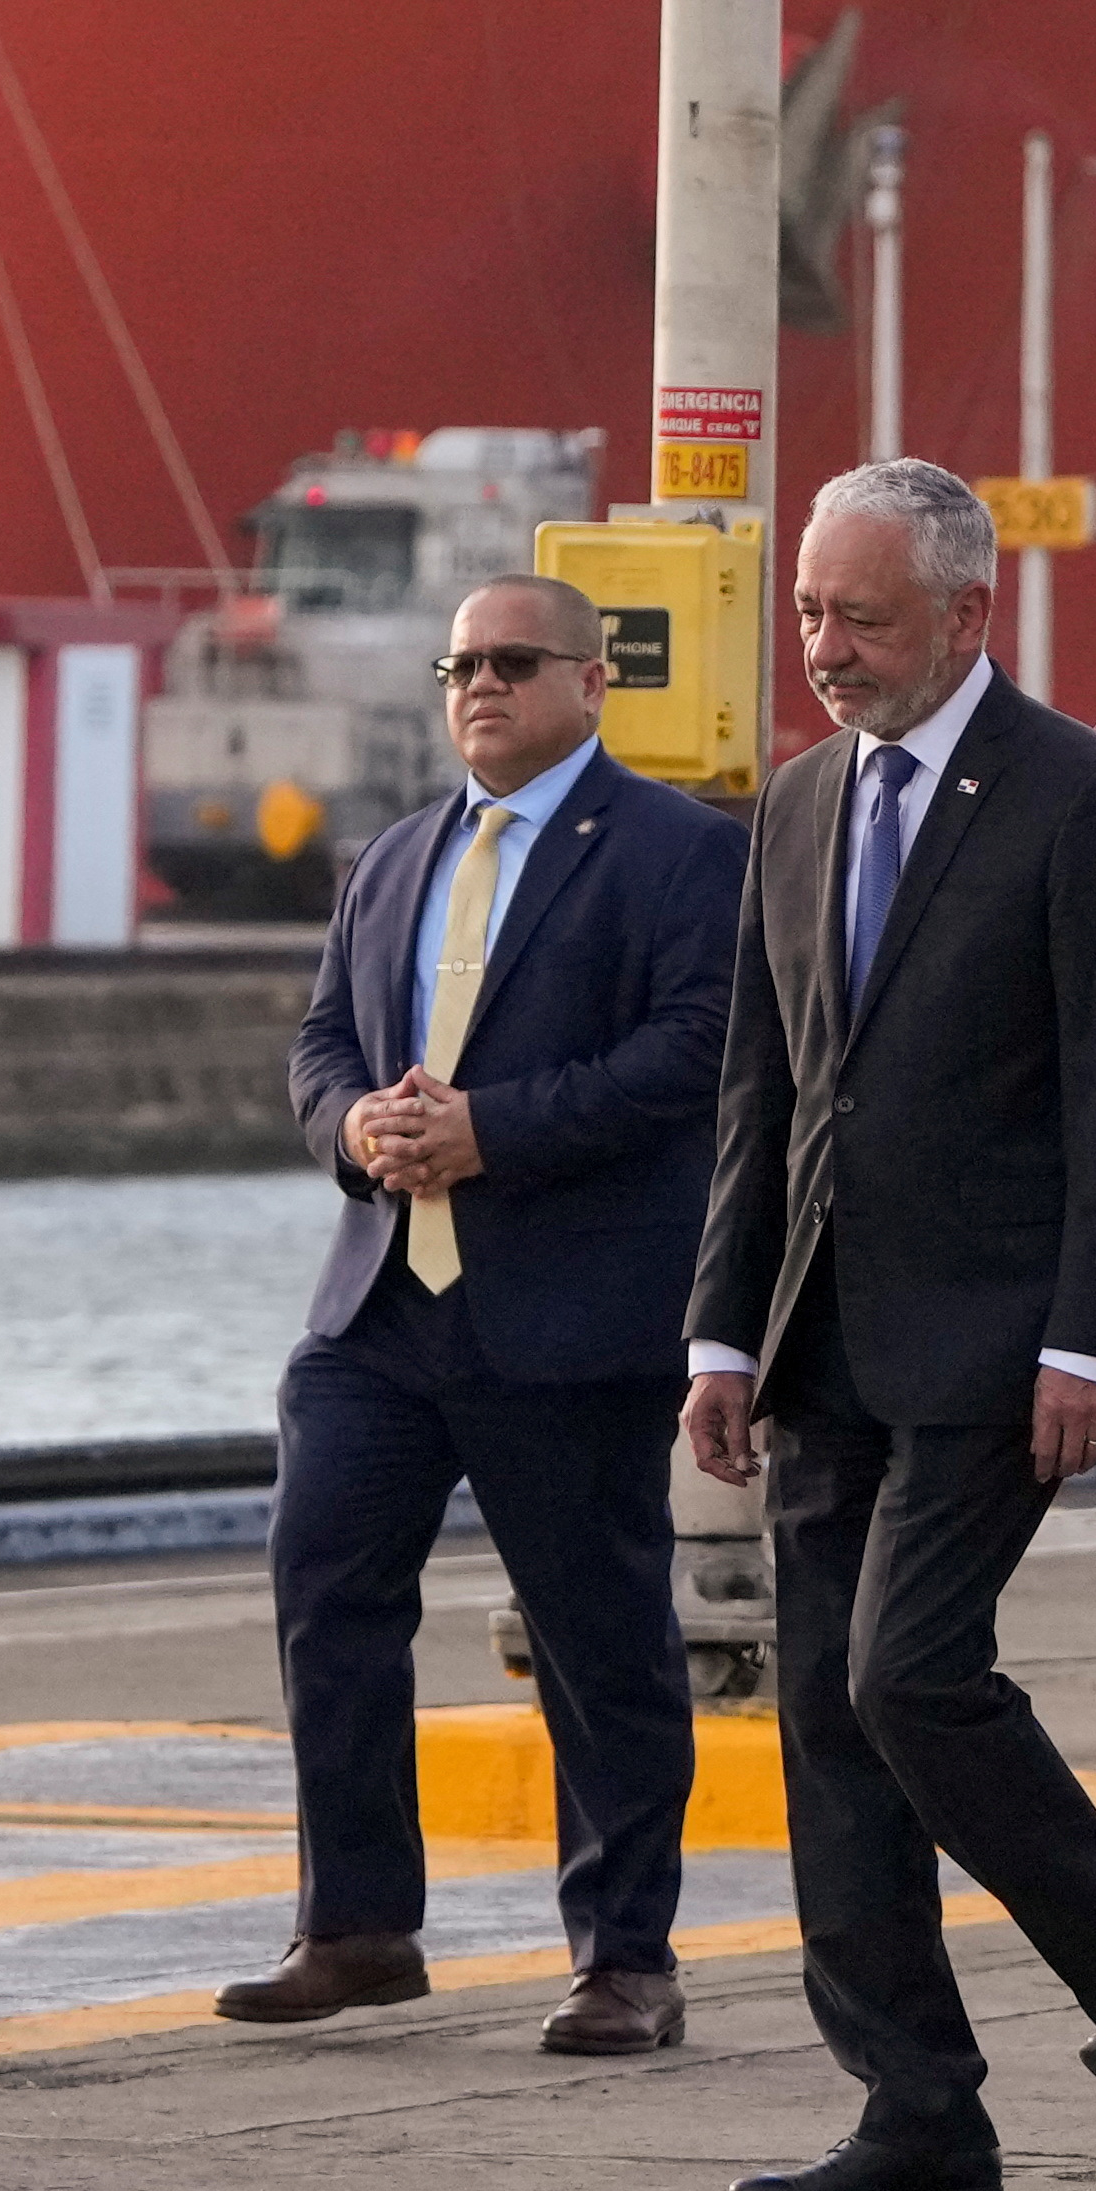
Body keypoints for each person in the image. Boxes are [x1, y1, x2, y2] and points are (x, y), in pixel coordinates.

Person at [681, 458, 1096, 2191]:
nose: (824, 646)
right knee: (828, 1722)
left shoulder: (1076, 796)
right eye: (809, 612)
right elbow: (763, 1089)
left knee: (906, 1674)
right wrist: (720, 1330)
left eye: (861, 616)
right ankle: (916, 2106)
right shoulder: (797, 802)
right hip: (821, 1334)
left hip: (1002, 1338)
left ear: (967, 613)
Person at [221, 574, 740, 2057]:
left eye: (513, 661)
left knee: (598, 1634)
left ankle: (625, 1957)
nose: (481, 687)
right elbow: (323, 1041)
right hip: (379, 1304)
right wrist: (354, 1127)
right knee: (327, 1586)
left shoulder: (680, 851)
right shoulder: (394, 857)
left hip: (569, 1312)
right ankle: (358, 1924)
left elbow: (700, 1047)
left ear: (592, 680)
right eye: (459, 666)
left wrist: (490, 1130)